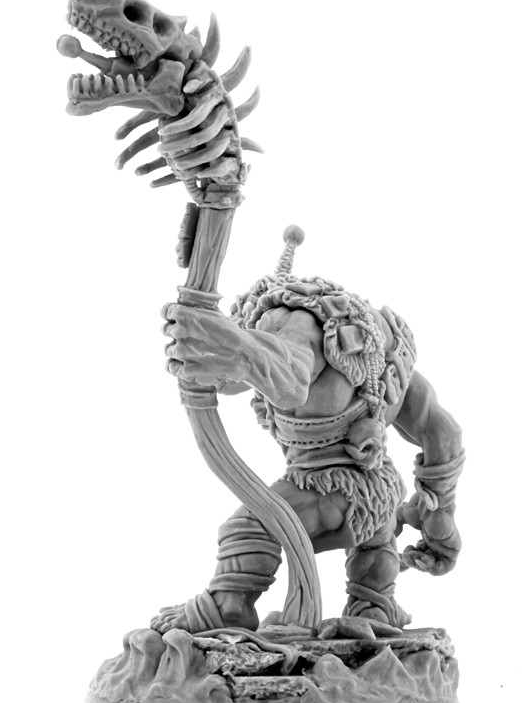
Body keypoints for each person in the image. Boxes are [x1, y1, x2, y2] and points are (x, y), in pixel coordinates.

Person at [152, 230, 464, 633]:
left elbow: (290, 374)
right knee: (373, 569)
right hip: (381, 497)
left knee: (251, 527)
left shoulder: (292, 324)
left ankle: (230, 606)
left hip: (332, 490)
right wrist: (440, 514)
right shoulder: (379, 359)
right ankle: (374, 604)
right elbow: (444, 434)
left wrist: (232, 348)